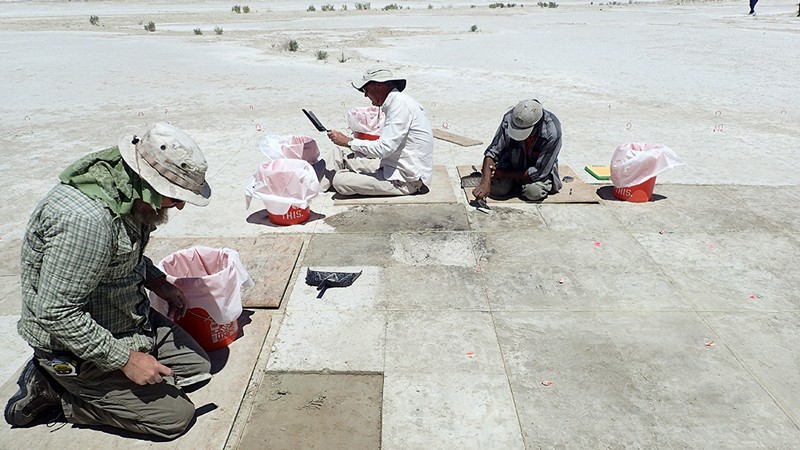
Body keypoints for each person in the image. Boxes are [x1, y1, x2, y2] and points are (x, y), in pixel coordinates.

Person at [5, 123, 214, 440]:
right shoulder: (87, 221)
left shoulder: (125, 190)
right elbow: (56, 313)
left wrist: (156, 281)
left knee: (196, 368)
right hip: (75, 343)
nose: (181, 205)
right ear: (149, 182)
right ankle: (53, 390)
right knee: (176, 418)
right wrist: (125, 360)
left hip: (124, 316)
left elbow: (116, 258)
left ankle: (113, 383)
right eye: (175, 197)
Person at [324, 67, 434, 196]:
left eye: (366, 90)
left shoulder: (400, 104)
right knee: (338, 155)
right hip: (391, 166)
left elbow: (384, 148)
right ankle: (310, 188)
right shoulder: (398, 101)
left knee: (339, 180)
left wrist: (348, 142)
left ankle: (311, 190)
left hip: (405, 179)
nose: (365, 94)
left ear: (379, 85)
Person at [472, 99, 563, 202]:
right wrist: (485, 181)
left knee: (533, 192)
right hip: (512, 164)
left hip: (535, 172)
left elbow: (539, 172)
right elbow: (493, 151)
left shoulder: (552, 132)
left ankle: (519, 186)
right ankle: (515, 185)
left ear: (536, 126)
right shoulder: (510, 118)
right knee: (498, 190)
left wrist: (503, 174)